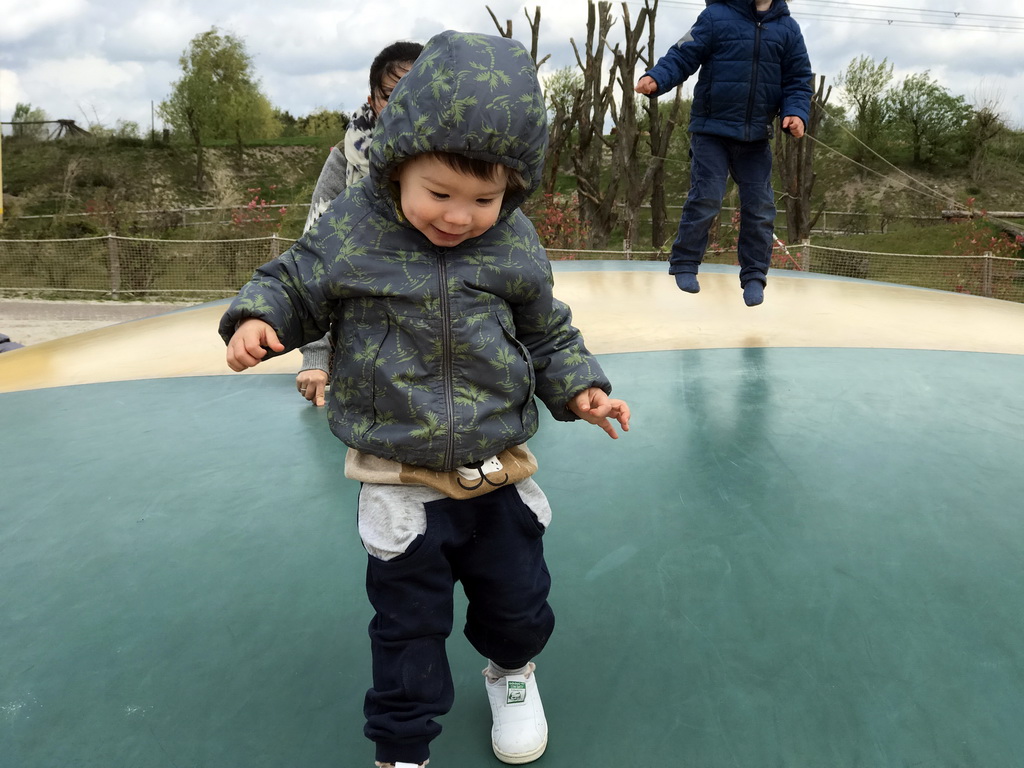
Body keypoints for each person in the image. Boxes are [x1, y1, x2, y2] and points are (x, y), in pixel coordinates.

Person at [220, 30, 631, 768]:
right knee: (407, 625)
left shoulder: (512, 244)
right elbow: (293, 279)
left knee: (519, 603)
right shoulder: (353, 229)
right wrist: (261, 318)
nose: (458, 215)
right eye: (439, 193)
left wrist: (582, 388)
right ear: (399, 162)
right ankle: (403, 746)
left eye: (484, 198)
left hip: (497, 466)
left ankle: (511, 673)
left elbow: (546, 332)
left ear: (512, 189)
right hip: (398, 476)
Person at [635, 0, 812, 306]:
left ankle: (755, 274)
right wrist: (657, 78)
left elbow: (797, 80)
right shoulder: (717, 16)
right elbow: (683, 53)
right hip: (711, 130)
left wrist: (796, 113)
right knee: (707, 196)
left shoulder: (788, 30)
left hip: (755, 137)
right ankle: (685, 263)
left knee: (760, 207)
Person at [297, 41, 424, 407]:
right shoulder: (343, 165)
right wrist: (316, 357)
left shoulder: (465, 164)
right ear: (372, 99)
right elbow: (312, 256)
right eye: (390, 95)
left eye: (416, 93)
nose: (402, 106)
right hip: (363, 337)